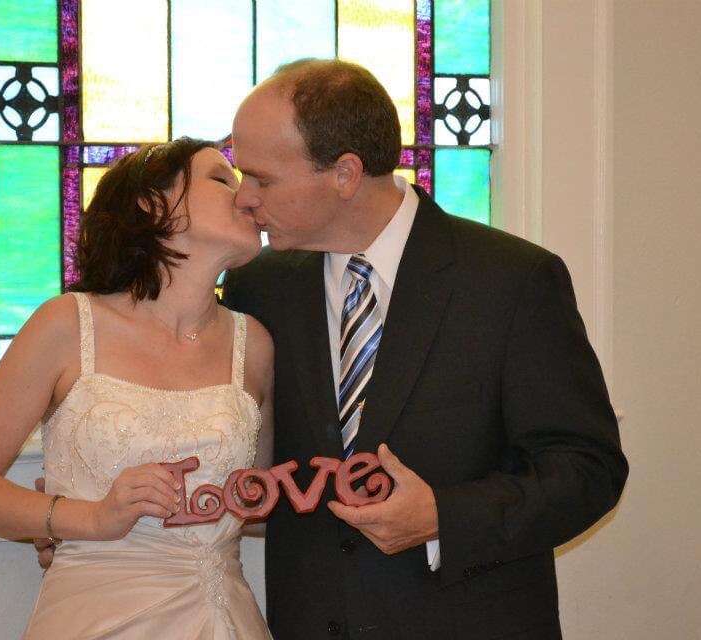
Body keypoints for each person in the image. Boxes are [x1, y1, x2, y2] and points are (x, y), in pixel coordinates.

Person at [219, 59, 629, 638]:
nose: (243, 199)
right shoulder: (257, 286)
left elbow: (587, 469)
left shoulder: (512, 280)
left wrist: (442, 518)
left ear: (345, 174)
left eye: (262, 179)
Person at [0, 138, 275, 639]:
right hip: (96, 618)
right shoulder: (67, 325)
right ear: (153, 203)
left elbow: (260, 502)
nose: (244, 195)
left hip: (225, 619)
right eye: (222, 179)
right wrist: (87, 518)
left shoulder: (254, 344)